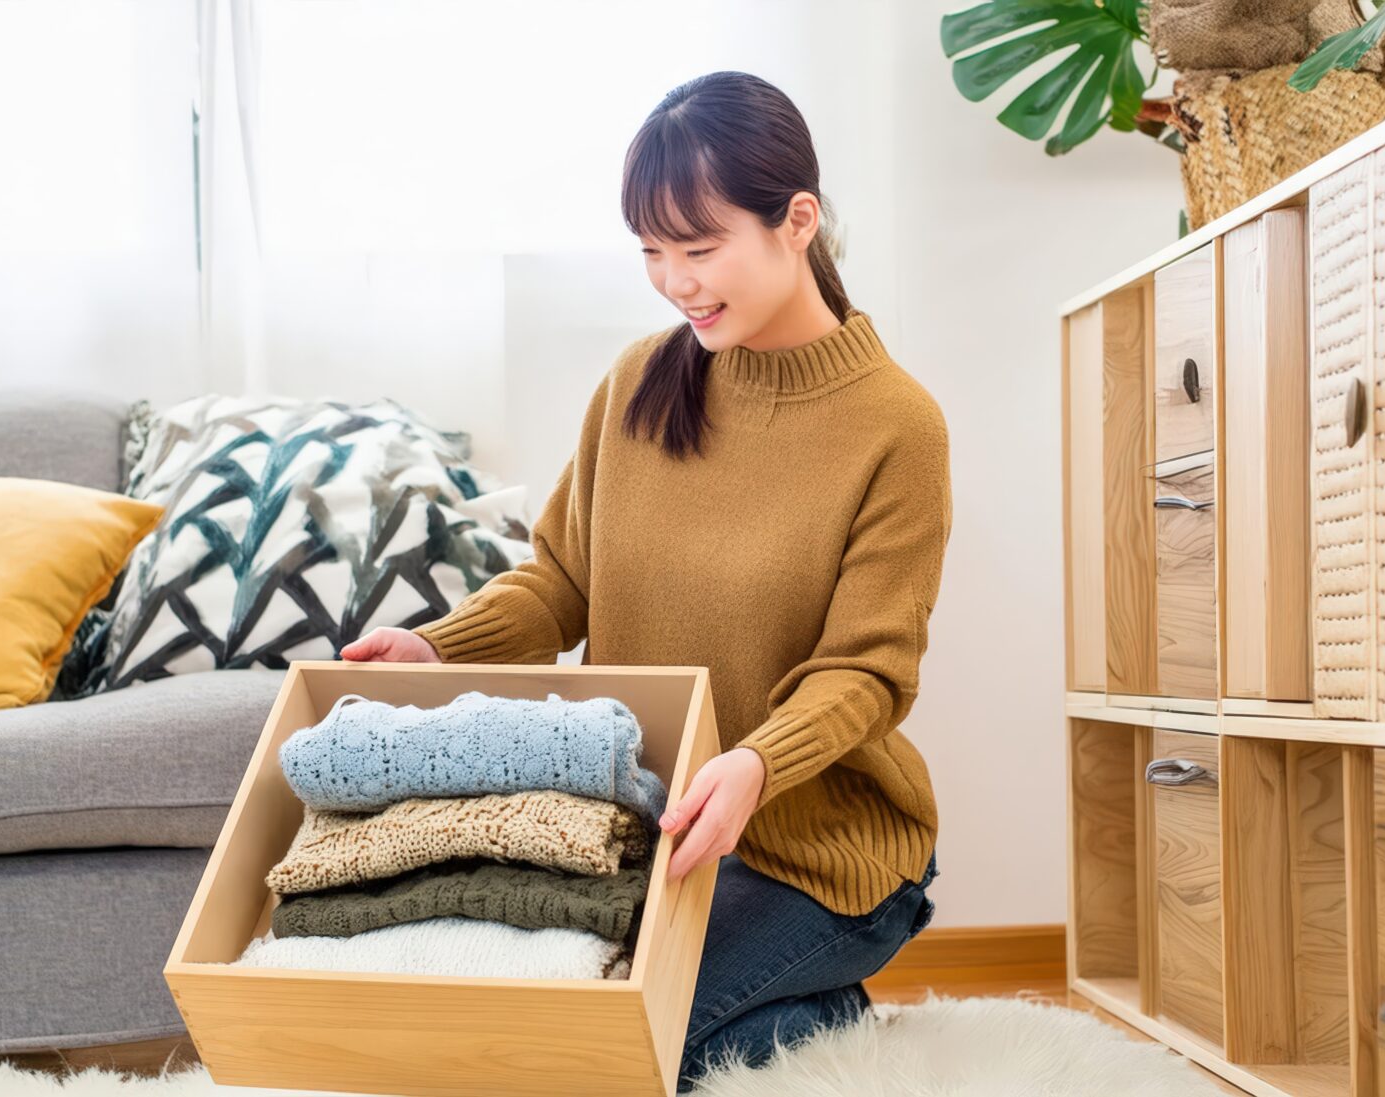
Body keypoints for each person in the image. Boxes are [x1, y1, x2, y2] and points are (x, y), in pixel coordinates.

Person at [340, 69, 949, 1091]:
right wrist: (438, 644)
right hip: (650, 825)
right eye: (653, 253)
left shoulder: (896, 425)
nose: (675, 281)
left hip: (814, 847)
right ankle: (793, 1003)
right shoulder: (639, 382)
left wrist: (754, 764)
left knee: (627, 1053)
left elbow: (869, 671)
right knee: (518, 1027)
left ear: (796, 222)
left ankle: (829, 1006)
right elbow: (559, 583)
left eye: (699, 247)